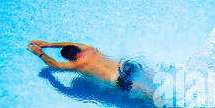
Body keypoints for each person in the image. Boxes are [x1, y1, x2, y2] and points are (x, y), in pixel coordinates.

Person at [27, 40, 155, 97]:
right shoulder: (89, 48)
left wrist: (40, 54)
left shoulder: (78, 64)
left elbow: (55, 65)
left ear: (72, 58)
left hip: (119, 80)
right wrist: (49, 44)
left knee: (151, 96)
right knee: (154, 77)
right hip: (125, 66)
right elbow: (71, 44)